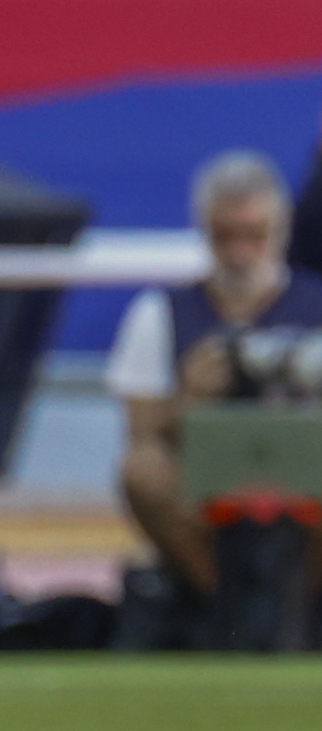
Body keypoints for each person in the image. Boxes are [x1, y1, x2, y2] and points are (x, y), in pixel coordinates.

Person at [107, 151, 322, 601]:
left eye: (254, 236)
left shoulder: (313, 307)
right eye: (225, 237)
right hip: (203, 487)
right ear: (203, 229)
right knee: (143, 469)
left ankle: (298, 605)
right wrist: (187, 398)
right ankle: (223, 605)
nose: (240, 253)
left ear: (280, 229)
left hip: (305, 485)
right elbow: (140, 437)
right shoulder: (162, 313)